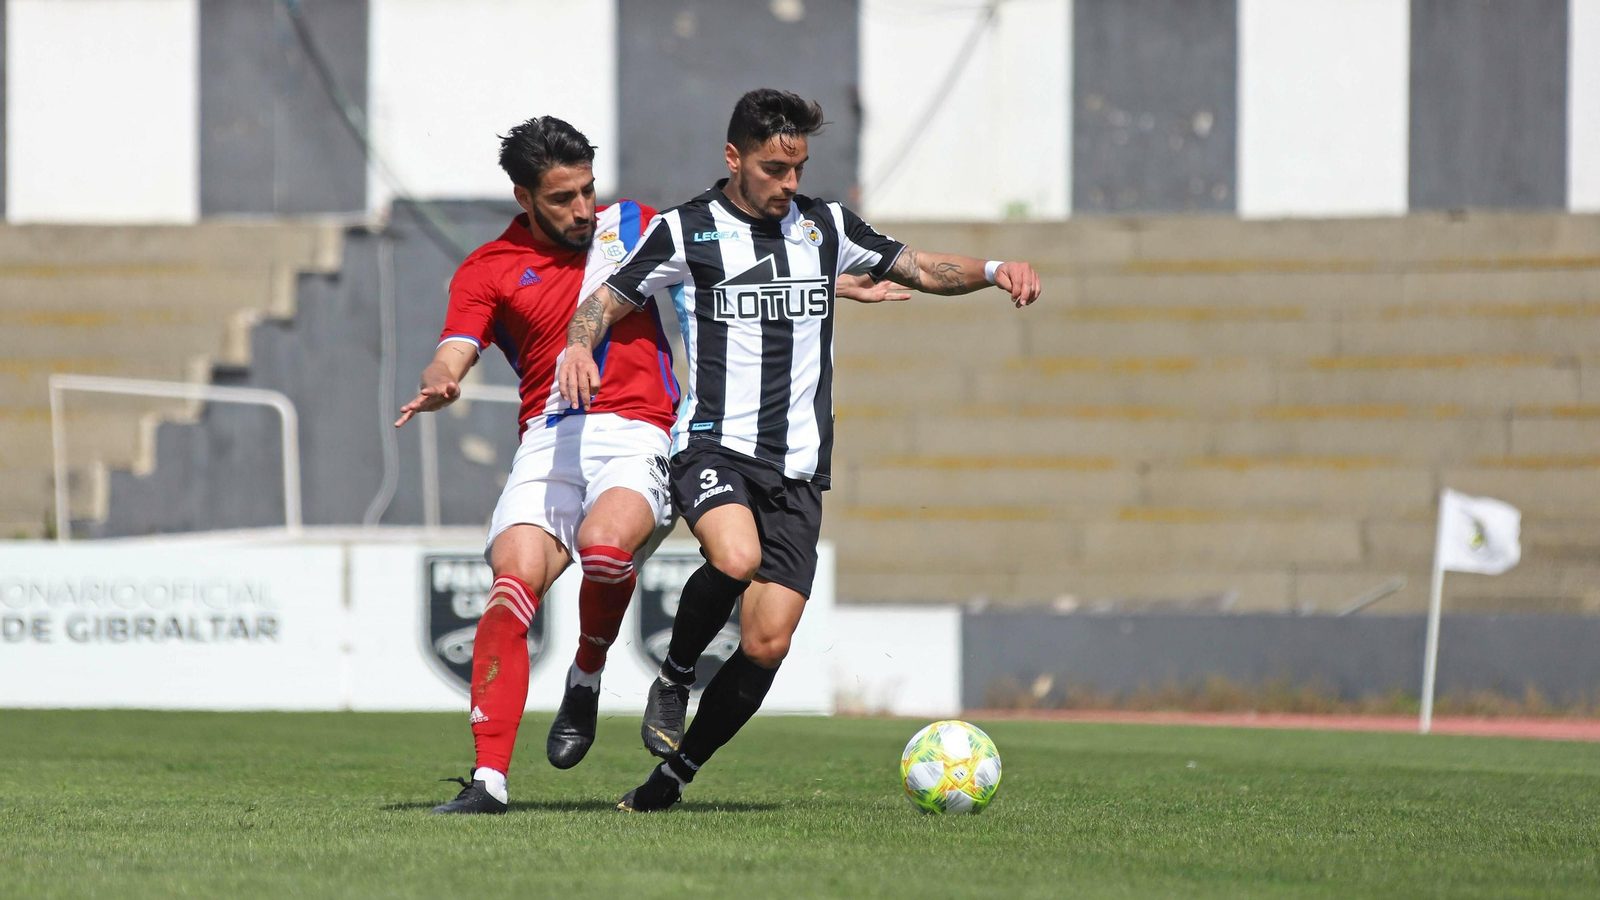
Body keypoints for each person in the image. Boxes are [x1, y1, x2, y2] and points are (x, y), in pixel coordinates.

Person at [396, 114, 902, 815]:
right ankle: (488, 782)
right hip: (547, 438)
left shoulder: (631, 223)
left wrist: (832, 283)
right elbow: (456, 345)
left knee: (606, 548)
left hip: (638, 433)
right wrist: (442, 379)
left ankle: (586, 673)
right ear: (524, 199)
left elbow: (728, 261)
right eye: (562, 198)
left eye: (587, 191)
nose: (582, 209)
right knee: (510, 583)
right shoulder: (487, 270)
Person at [557, 89, 1042, 812]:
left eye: (798, 168)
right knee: (735, 557)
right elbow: (606, 299)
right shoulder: (686, 229)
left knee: (767, 644)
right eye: (774, 169)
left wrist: (995, 267)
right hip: (715, 445)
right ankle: (676, 675)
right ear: (734, 158)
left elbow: (914, 265)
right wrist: (577, 345)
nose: (789, 184)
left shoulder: (825, 225)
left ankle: (674, 776)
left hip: (800, 468)